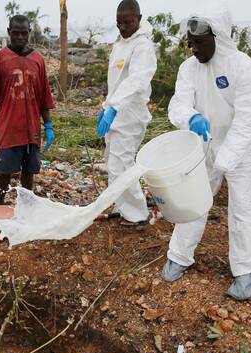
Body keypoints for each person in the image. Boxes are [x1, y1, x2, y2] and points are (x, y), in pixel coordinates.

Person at [161, 1, 251, 300]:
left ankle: (248, 268)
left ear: (217, 37)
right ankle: (179, 256)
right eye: (190, 42)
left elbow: (247, 123)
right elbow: (177, 104)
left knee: (241, 207)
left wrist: (225, 159)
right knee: (194, 201)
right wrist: (190, 117)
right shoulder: (189, 68)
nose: (193, 48)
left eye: (198, 42)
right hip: (203, 145)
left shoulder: (243, 68)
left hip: (240, 151)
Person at [96, 0, 157, 226]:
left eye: (128, 22)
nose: (122, 27)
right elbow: (116, 83)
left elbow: (137, 81)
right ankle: (123, 204)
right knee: (113, 160)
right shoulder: (121, 43)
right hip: (116, 113)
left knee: (121, 164)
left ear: (139, 19)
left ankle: (138, 214)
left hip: (130, 115)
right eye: (119, 23)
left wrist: (115, 107)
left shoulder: (142, 46)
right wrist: (105, 108)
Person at [0, 14, 55, 205]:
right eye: (16, 33)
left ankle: (26, 204)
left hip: (31, 126)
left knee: (29, 169)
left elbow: (43, 97)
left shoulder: (38, 60)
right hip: (9, 125)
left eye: (24, 33)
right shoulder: (0, 59)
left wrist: (48, 124)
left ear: (29, 33)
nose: (20, 37)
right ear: (9, 32)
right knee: (4, 168)